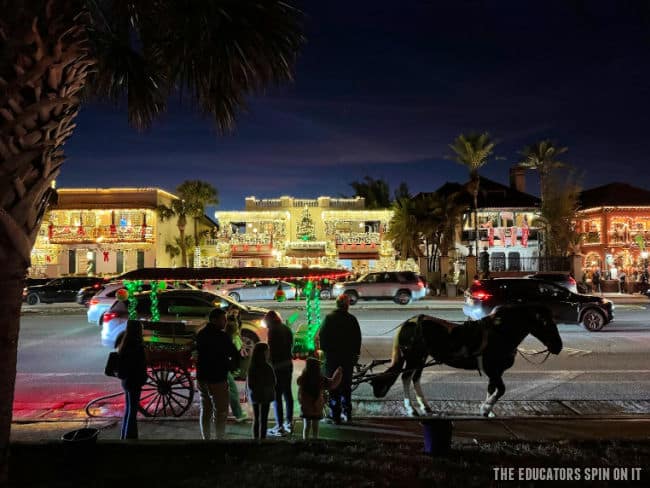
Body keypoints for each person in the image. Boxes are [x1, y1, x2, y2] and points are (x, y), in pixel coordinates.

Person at [195, 308, 240, 440]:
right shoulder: (221, 336)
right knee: (220, 412)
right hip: (217, 378)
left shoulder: (201, 334)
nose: (225, 322)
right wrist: (232, 366)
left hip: (202, 378)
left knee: (206, 410)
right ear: (215, 320)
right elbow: (233, 353)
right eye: (223, 319)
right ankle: (219, 439)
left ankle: (206, 438)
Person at [317, 294, 362, 424]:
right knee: (346, 387)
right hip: (347, 359)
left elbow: (323, 338)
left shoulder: (329, 318)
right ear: (347, 305)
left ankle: (335, 415)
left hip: (332, 359)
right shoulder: (351, 319)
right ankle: (347, 413)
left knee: (333, 386)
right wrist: (355, 355)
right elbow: (357, 339)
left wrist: (326, 352)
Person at [297, 357, 342, 439]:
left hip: (306, 407)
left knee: (306, 426)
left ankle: (305, 441)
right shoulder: (321, 379)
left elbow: (299, 393)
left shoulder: (303, 379)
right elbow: (332, 383)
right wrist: (338, 372)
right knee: (315, 426)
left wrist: (300, 401)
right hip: (316, 407)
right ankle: (315, 440)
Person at [265, 310, 294, 436]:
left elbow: (272, 350)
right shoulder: (286, 328)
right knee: (288, 393)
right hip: (288, 364)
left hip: (277, 367)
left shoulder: (272, 330)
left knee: (277, 396)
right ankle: (289, 422)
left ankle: (279, 426)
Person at [117, 320, 147, 440]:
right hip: (134, 380)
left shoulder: (125, 344)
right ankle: (131, 438)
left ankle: (125, 436)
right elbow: (140, 365)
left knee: (129, 409)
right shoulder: (137, 346)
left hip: (127, 380)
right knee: (132, 411)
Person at [246, 342, 276, 440]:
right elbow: (273, 381)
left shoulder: (252, 367)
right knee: (264, 419)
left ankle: (254, 439)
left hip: (255, 395)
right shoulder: (267, 367)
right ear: (264, 353)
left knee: (256, 418)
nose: (269, 353)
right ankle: (263, 440)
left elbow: (250, 384)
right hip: (266, 395)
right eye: (267, 351)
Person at [225, 306, 247, 423]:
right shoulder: (229, 339)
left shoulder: (229, 338)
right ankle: (238, 414)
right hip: (223, 369)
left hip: (224, 367)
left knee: (230, 389)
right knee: (232, 390)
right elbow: (233, 354)